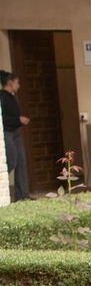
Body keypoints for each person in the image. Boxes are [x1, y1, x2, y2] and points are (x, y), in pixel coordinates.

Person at [1, 70, 28, 202]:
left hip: (15, 133)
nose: (19, 85)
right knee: (11, 162)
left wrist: (18, 120)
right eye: (17, 82)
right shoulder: (2, 97)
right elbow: (3, 118)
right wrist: (19, 120)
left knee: (21, 163)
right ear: (10, 82)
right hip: (6, 133)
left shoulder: (11, 97)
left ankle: (22, 196)